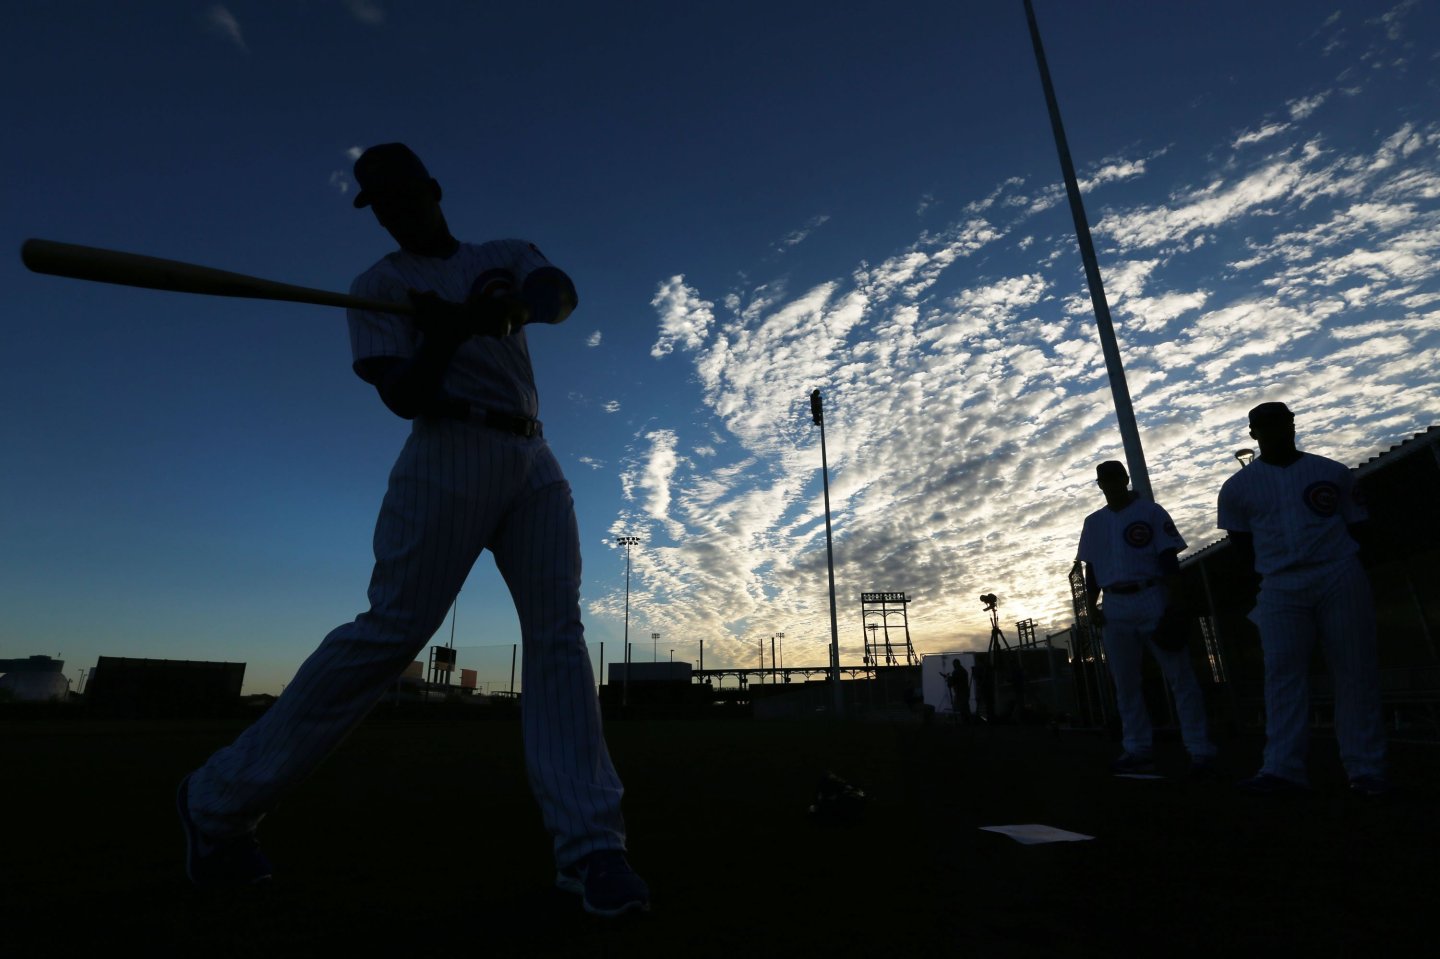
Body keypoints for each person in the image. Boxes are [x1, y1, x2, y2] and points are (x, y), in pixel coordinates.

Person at [176, 143, 650, 916]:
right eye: (382, 202)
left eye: (406, 194)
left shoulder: (500, 253)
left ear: (433, 190)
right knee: (393, 631)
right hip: (446, 451)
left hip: (533, 453)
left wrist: (509, 307)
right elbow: (402, 395)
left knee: (558, 633)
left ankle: (592, 847)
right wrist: (443, 336)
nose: (397, 210)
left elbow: (559, 292)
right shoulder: (381, 286)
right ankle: (216, 800)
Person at [1217, 402, 1389, 797]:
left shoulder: (1331, 471)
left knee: (1355, 670)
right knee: (1282, 674)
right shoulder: (1238, 486)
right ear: (1252, 434)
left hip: (1337, 571)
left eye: (1280, 422)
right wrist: (1264, 583)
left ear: (1292, 424)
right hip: (1278, 582)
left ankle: (1366, 770)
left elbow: (1359, 526)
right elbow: (1241, 545)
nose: (1273, 430)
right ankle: (1282, 768)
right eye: (1263, 425)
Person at [1077, 461, 1217, 775]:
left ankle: (1200, 749)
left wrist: (1175, 601)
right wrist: (1092, 605)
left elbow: (1168, 557)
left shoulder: (1151, 512)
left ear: (1125, 479)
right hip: (1114, 602)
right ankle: (1137, 747)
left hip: (1151, 592)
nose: (1110, 483)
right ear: (1099, 484)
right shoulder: (1094, 522)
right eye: (1105, 479)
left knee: (1180, 677)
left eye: (1115, 477)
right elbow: (1092, 567)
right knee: (1126, 683)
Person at [943, 658, 972, 722]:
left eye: (954, 664)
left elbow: (954, 681)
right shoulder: (963, 670)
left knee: (961, 707)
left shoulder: (957, 671)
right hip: (964, 692)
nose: (953, 666)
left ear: (956, 664)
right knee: (965, 707)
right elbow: (956, 680)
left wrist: (948, 679)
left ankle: (965, 721)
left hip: (960, 693)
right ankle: (967, 721)